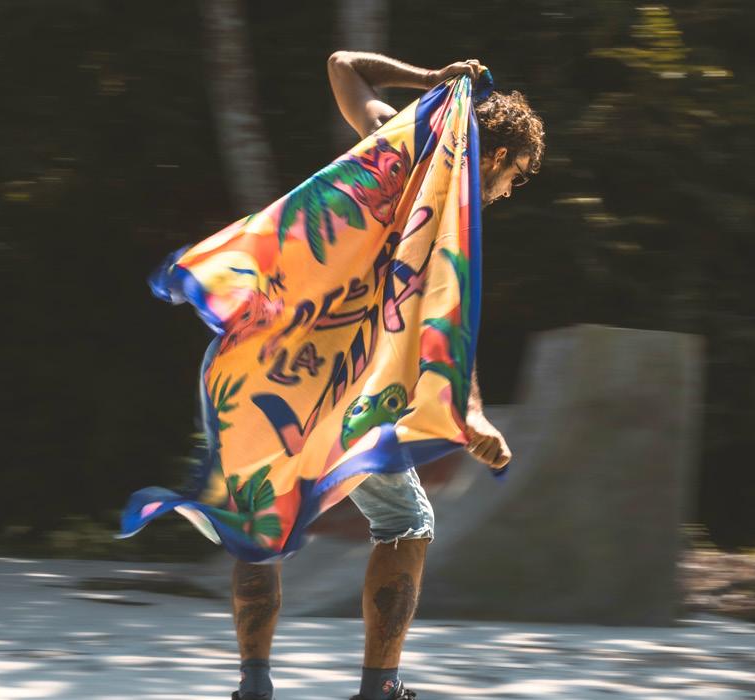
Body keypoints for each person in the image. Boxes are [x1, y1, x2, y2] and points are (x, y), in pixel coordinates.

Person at [231, 52, 546, 700]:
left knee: (263, 518)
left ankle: (254, 687)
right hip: (343, 379)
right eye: (514, 175)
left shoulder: (393, 143)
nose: (509, 190)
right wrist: (469, 412)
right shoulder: (451, 205)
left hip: (273, 353)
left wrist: (429, 79)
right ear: (494, 155)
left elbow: (342, 64)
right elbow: (442, 313)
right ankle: (379, 688)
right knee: (406, 521)